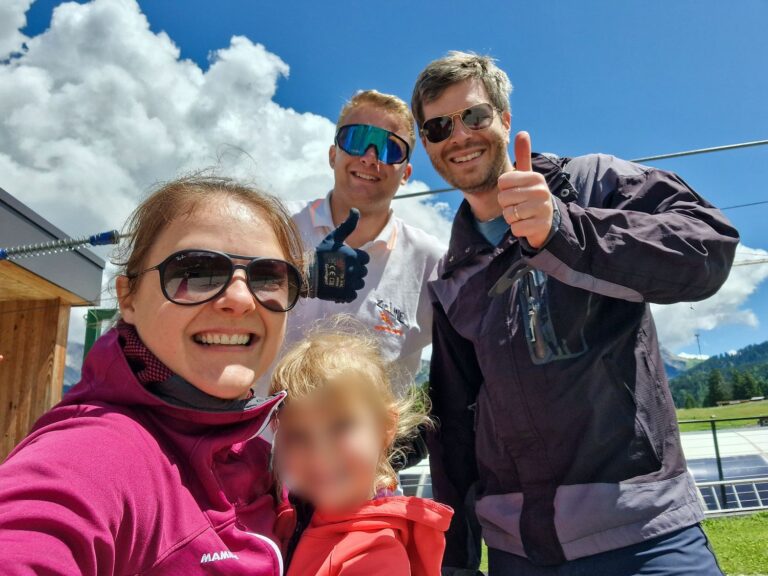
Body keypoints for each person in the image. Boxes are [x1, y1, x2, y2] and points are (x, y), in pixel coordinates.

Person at [411, 52, 739, 575]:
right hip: (519, 552)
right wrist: (456, 561)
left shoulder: (591, 183)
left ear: (505, 117)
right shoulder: (450, 279)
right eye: (437, 126)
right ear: (427, 145)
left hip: (646, 535)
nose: (459, 136)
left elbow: (709, 246)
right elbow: (453, 429)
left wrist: (564, 229)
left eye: (473, 115)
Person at [0, 176, 350, 574]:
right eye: (196, 271)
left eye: (268, 277)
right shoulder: (95, 455)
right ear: (127, 297)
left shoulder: (256, 455)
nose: (239, 299)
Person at [283, 90, 445, 396]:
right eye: (357, 139)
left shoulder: (432, 263)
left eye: (390, 149)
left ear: (406, 173)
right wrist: (296, 282)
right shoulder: (275, 226)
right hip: (260, 441)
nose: (370, 157)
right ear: (333, 155)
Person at [269, 324, 453, 576]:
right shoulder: (294, 517)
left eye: (340, 425)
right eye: (298, 435)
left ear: (385, 427)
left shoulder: (375, 554)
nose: (320, 453)